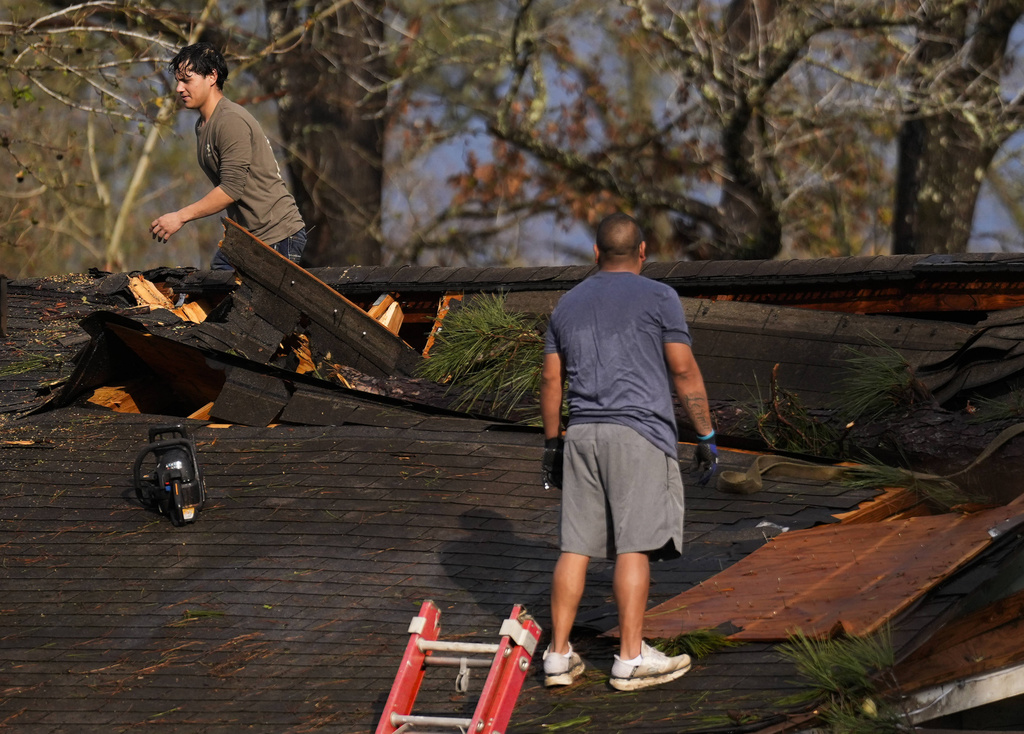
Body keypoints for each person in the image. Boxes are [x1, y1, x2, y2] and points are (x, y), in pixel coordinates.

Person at [539, 212, 718, 692]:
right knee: (633, 545)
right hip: (637, 435)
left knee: (574, 547)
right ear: (642, 252)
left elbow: (552, 380)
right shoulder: (661, 297)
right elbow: (682, 371)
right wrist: (704, 435)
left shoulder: (566, 306)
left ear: (596, 254)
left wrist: (553, 445)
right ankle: (632, 657)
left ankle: (557, 655)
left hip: (581, 436)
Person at [150, 42, 306, 270]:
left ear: (212, 77)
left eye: (187, 80)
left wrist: (180, 216)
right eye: (178, 81)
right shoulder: (203, 125)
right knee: (215, 285)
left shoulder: (230, 121)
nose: (179, 89)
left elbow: (231, 189)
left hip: (278, 236)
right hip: (249, 238)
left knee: (241, 301)